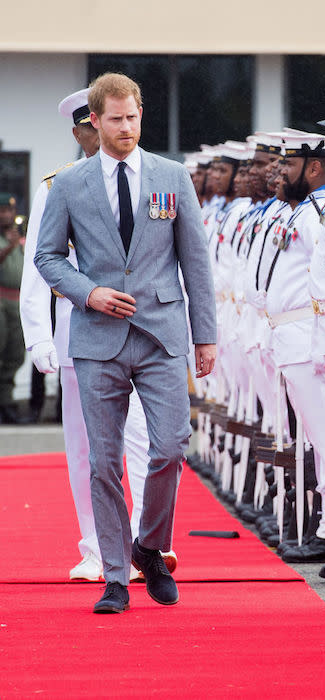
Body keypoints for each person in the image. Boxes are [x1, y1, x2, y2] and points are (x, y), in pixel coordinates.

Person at [35, 73, 217, 614]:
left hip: (161, 333)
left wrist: (205, 337)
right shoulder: (69, 184)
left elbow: (195, 261)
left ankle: (150, 546)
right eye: (115, 119)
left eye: (133, 117)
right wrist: (89, 293)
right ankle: (116, 575)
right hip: (97, 338)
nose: (126, 128)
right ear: (95, 120)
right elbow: (47, 258)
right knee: (104, 462)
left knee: (169, 447)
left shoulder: (172, 176)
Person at [20, 87, 178, 583]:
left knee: (149, 441)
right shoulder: (58, 186)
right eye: (94, 126)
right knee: (88, 448)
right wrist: (39, 338)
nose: (110, 132)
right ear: (80, 131)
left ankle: (138, 542)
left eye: (121, 119)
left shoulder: (156, 178)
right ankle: (95, 546)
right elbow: (38, 270)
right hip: (80, 330)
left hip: (146, 332)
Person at [0, 194, 28, 424]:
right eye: (2, 211)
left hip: (17, 302)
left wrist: (17, 242)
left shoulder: (20, 237)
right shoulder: (9, 240)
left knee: (15, 354)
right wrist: (10, 245)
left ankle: (7, 402)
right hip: (0, 299)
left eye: (9, 211)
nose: (6, 215)